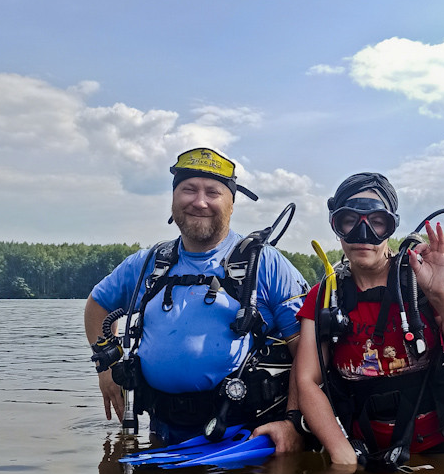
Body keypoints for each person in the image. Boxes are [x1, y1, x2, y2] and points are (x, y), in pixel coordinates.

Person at [85, 147, 307, 451]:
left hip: (244, 438)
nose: (199, 201)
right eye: (188, 189)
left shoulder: (265, 264)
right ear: (174, 198)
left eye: (213, 192)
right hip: (162, 432)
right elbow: (97, 305)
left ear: (231, 203)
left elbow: (308, 352)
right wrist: (106, 368)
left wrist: (293, 422)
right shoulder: (147, 262)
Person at [295, 172, 444, 469]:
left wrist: (440, 294)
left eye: (377, 222)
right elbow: (306, 380)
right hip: (366, 452)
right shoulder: (324, 296)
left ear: (391, 226)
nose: (363, 235)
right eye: (349, 220)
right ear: (335, 226)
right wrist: (342, 456)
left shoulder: (426, 276)